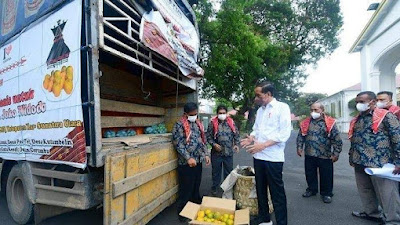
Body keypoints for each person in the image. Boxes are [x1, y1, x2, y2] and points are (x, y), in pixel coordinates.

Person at [241, 81, 291, 225]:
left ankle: (282, 221)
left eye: (258, 95)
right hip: (258, 156)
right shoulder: (261, 110)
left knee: (277, 192)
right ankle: (264, 217)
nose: (256, 98)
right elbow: (257, 130)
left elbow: (284, 134)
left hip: (273, 158)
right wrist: (251, 138)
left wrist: (262, 146)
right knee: (260, 189)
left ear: (268, 94)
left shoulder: (282, 108)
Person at [348, 91, 400, 225]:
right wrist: (351, 157)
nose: (358, 104)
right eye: (357, 102)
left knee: (387, 194)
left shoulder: (386, 116)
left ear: (372, 102)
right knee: (365, 190)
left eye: (362, 102)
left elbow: (397, 138)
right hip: (360, 161)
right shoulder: (358, 118)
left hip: (380, 163)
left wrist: (399, 161)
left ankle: (393, 220)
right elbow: (355, 138)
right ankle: (372, 213)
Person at [296, 103, 342, 203]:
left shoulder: (329, 123)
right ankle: (312, 189)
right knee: (310, 173)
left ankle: (326, 193)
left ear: (322, 110)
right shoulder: (306, 122)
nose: (313, 112)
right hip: (310, 153)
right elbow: (301, 136)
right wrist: (299, 147)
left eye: (316, 110)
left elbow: (336, 139)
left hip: (324, 154)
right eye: (311, 110)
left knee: (326, 175)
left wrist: (336, 153)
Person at [172, 102, 211, 222]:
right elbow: (178, 143)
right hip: (186, 163)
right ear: (185, 114)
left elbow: (201, 141)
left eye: (196, 114)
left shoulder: (198, 123)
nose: (195, 116)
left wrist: (206, 154)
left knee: (196, 186)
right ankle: (182, 213)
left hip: (198, 161)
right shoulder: (179, 125)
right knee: (186, 189)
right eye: (192, 114)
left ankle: (195, 206)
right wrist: (188, 157)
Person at [206, 105, 240, 196]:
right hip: (216, 153)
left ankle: (227, 189)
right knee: (216, 172)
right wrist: (214, 144)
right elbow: (208, 137)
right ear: (217, 114)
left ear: (226, 113)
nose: (222, 115)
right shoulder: (212, 123)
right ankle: (215, 188)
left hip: (228, 152)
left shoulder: (231, 122)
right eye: (220, 113)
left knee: (228, 172)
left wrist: (236, 144)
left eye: (224, 113)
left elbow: (236, 134)